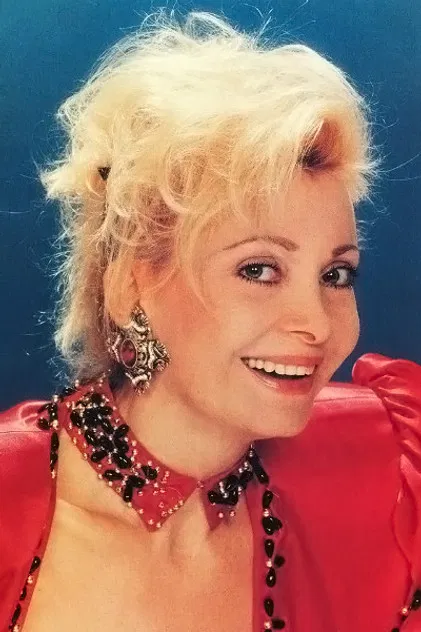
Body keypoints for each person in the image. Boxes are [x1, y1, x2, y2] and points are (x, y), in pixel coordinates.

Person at [1, 10, 421, 632]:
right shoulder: (12, 498)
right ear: (132, 286)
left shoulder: (384, 467)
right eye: (259, 269)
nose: (316, 323)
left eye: (336, 275)